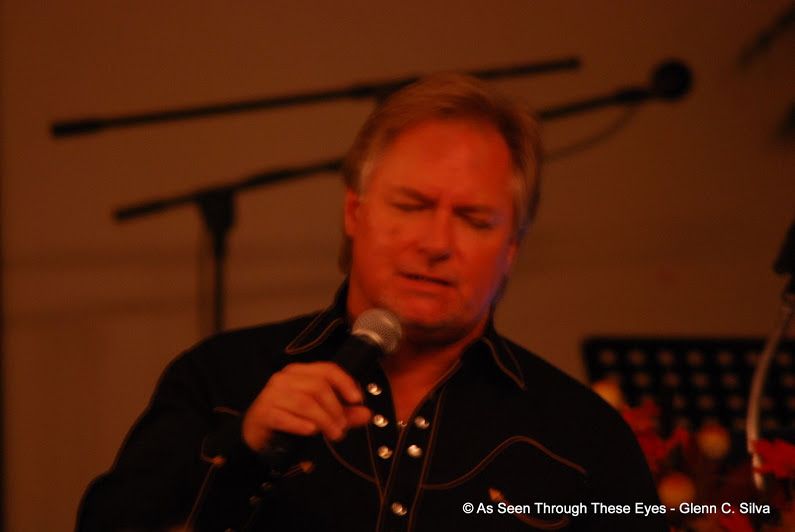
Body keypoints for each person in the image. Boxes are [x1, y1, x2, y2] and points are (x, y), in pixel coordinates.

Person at [77, 73, 666, 531]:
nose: (436, 243)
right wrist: (245, 451)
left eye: (473, 219)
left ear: (511, 247)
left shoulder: (582, 436)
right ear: (354, 213)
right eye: (411, 206)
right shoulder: (221, 382)